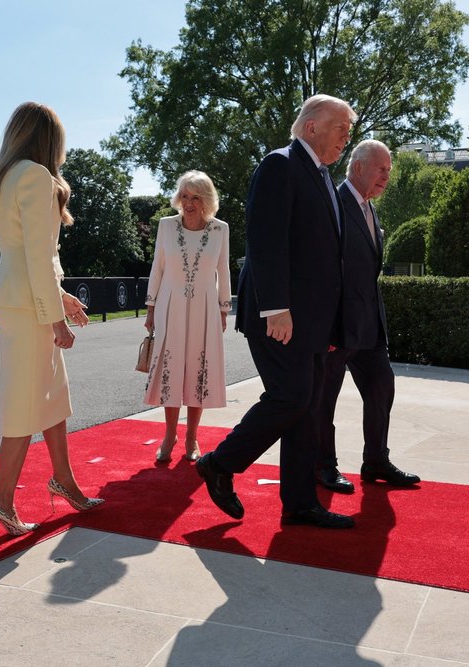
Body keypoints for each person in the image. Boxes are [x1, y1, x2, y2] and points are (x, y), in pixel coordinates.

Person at [196, 94, 356, 529]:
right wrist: (276, 309)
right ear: (311, 128)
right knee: (291, 397)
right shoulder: (280, 165)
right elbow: (266, 242)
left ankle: (300, 503)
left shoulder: (322, 175)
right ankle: (219, 464)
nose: (347, 135)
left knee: (305, 404)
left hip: (313, 319)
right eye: (341, 127)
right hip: (280, 316)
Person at [0, 101, 101, 539]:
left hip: (21, 296)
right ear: (49, 139)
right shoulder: (34, 175)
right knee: (24, 402)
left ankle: (63, 481)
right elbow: (37, 254)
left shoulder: (3, 178)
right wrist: (56, 320)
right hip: (29, 305)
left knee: (50, 396)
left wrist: (62, 297)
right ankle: (2, 501)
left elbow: (31, 256)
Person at [316, 139, 420, 494]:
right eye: (381, 169)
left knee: (381, 388)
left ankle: (375, 460)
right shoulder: (335, 203)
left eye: (389, 171)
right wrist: (325, 328)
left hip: (369, 328)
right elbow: (325, 272)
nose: (386, 177)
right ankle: (323, 466)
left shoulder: (370, 208)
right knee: (323, 400)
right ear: (358, 167)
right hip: (338, 327)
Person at [143, 171, 232, 464]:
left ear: (206, 200)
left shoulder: (220, 230)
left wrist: (222, 309)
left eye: (196, 197)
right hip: (170, 305)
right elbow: (157, 266)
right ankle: (170, 435)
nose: (189, 203)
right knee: (171, 367)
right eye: (185, 196)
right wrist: (151, 307)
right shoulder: (166, 226)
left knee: (198, 369)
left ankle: (192, 437)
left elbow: (224, 270)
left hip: (206, 308)